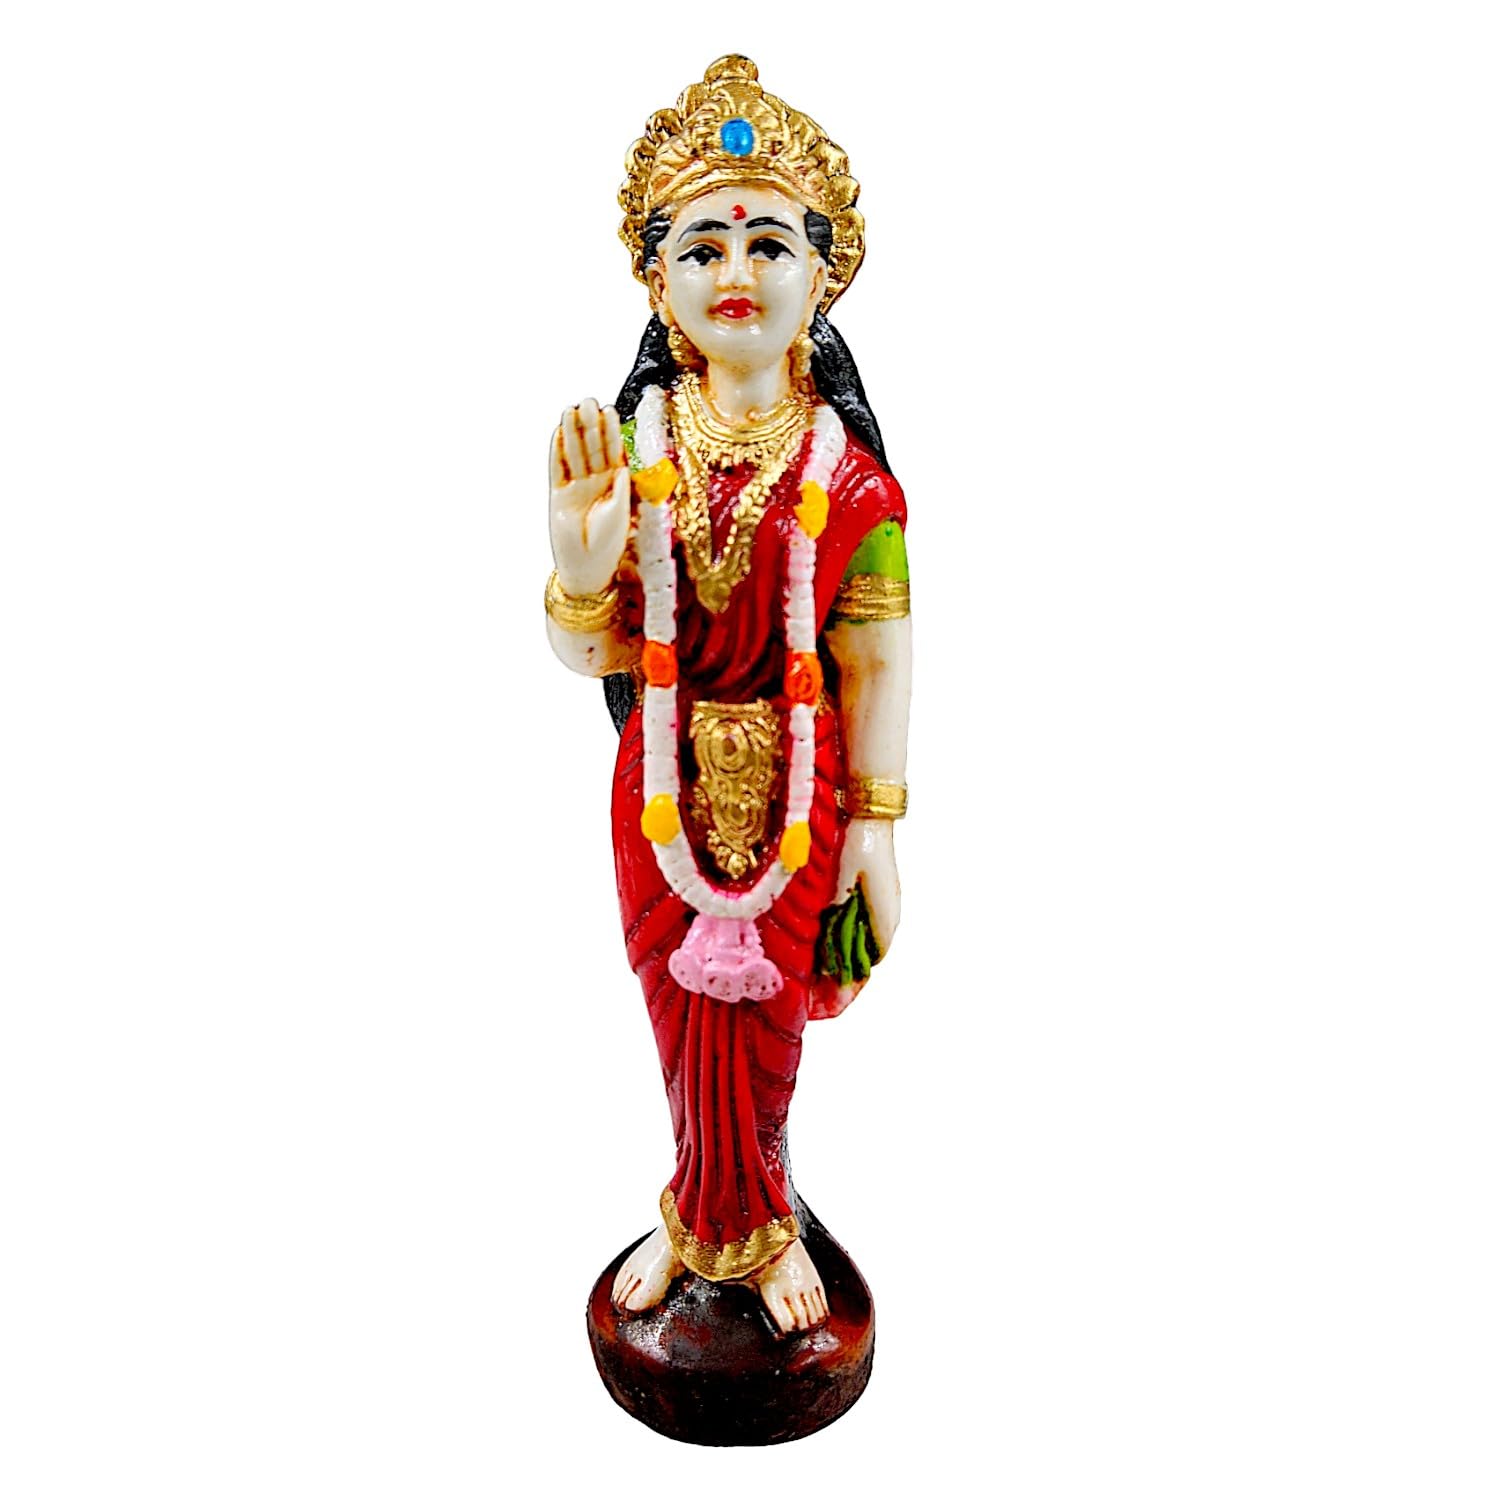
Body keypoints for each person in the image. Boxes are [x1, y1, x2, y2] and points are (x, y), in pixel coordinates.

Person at [544, 57, 911, 1336]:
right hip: (661, 788)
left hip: (801, 792)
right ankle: (701, 1214)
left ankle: (758, 1223)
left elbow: (878, 658)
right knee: (677, 1021)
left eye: (767, 242)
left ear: (824, 275)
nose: (735, 269)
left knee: (764, 1036)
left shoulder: (849, 481)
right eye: (701, 247)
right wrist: (580, 566)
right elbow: (594, 654)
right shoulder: (636, 455)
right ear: (659, 283)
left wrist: (877, 827)